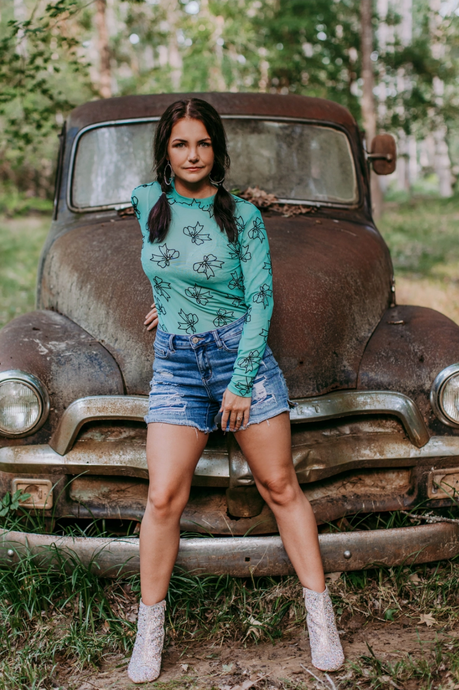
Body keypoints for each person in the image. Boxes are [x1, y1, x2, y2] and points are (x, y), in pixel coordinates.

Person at [127, 98, 344, 683]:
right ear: (165, 151)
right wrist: (169, 301)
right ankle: (149, 630)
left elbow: (260, 300)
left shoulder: (243, 216)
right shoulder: (146, 202)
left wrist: (241, 383)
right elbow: (168, 263)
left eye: (202, 144)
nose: (191, 155)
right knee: (163, 498)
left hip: (238, 358)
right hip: (174, 364)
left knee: (279, 485)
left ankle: (320, 618)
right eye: (180, 144)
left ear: (217, 150)